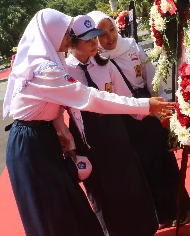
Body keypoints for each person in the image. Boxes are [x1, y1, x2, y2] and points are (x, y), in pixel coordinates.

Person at [3, 8, 174, 236]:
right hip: (32, 145)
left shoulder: (50, 63)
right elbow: (90, 97)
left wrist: (64, 134)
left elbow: (53, 109)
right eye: (65, 34)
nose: (68, 38)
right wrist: (145, 105)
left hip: (42, 138)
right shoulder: (45, 70)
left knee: (68, 208)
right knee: (52, 214)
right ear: (50, 34)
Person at [88, 10, 190, 228]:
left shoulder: (131, 46)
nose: (110, 37)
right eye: (102, 35)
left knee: (160, 159)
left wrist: (161, 102)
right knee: (141, 167)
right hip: (123, 117)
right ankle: (158, 215)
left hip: (148, 107)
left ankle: (178, 207)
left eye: (111, 30)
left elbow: (150, 74)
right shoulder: (97, 61)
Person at [65, 15, 161, 236]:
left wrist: (148, 113)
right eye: (87, 39)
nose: (94, 43)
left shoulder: (104, 64)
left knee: (129, 183)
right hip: (87, 138)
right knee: (101, 191)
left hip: (115, 132)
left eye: (95, 38)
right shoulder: (64, 72)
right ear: (72, 43)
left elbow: (124, 97)